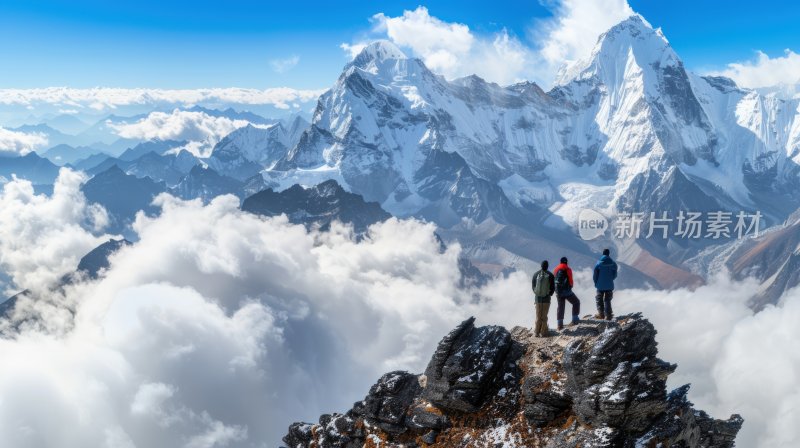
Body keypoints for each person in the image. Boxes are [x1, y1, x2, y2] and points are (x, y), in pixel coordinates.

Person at [553, 257, 580, 330]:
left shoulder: (556, 269)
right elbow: (570, 280)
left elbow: (554, 280)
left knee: (560, 307)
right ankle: (575, 319)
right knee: (576, 302)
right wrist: (570, 287)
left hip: (558, 291)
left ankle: (559, 325)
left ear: (560, 262)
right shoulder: (567, 269)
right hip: (566, 291)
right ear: (566, 262)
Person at [531, 260, 555, 337]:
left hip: (538, 299)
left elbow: (533, 287)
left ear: (541, 266)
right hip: (546, 299)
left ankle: (536, 332)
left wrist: (537, 294)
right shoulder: (550, 275)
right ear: (547, 266)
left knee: (538, 316)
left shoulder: (535, 275)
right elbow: (553, 288)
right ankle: (544, 332)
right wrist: (549, 294)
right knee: (544, 316)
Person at [593, 248, 618, 320]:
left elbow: (595, 275)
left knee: (599, 299)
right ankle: (608, 315)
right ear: (609, 254)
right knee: (607, 300)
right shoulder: (613, 263)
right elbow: (615, 274)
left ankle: (601, 314)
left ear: (603, 254)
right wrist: (610, 279)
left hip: (600, 285)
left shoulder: (598, 263)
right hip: (609, 285)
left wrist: (596, 283)